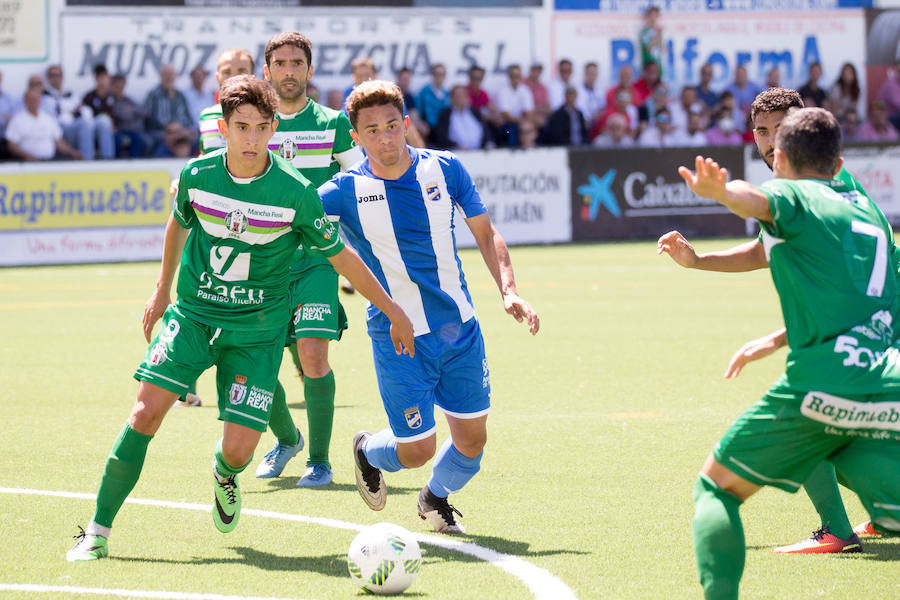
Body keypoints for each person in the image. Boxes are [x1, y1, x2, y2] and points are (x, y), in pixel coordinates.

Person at [65, 74, 414, 562]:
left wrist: (391, 307)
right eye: (241, 126)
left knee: (239, 452)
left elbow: (342, 257)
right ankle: (96, 532)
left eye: (261, 127)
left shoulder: (295, 193)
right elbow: (177, 224)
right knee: (145, 412)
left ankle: (224, 473)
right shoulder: (197, 175)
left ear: (274, 129)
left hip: (256, 331)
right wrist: (160, 292)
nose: (252, 138)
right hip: (193, 316)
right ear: (223, 127)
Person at [672, 107, 900, 599]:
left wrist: (721, 193)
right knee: (848, 452)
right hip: (887, 372)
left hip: (824, 378)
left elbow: (759, 202)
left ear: (781, 157)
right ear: (837, 161)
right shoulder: (864, 208)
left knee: (715, 489)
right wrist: (777, 336)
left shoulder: (790, 190)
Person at [319, 80, 539, 534]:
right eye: (372, 130)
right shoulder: (342, 190)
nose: (385, 138)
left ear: (407, 124)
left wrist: (508, 289)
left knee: (472, 441)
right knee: (416, 450)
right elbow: (295, 218)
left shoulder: (445, 168)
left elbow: (485, 232)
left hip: (460, 329)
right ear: (355, 137)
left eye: (393, 126)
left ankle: (435, 499)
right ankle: (367, 450)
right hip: (399, 337)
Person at [256, 31, 366, 487]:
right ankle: (287, 438)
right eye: (279, 63)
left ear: (309, 70)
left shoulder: (333, 124)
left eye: (296, 62)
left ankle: (318, 461)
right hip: (262, 265)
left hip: (318, 259)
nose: (287, 70)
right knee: (257, 364)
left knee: (313, 356)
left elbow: (362, 183)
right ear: (267, 71)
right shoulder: (254, 124)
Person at [43, 64, 111, 160]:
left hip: (78, 125)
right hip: (62, 132)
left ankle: (108, 159)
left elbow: (86, 112)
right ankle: (87, 161)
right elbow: (55, 118)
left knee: (103, 120)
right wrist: (72, 112)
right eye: (52, 75)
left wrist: (71, 112)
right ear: (48, 78)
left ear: (62, 77)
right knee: (85, 124)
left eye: (58, 75)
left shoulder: (70, 94)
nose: (56, 78)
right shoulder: (45, 96)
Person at [198, 48, 255, 155]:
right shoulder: (207, 116)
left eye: (241, 71)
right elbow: (205, 155)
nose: (233, 77)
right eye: (227, 72)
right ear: (217, 77)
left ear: (253, 76)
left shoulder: (266, 116)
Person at [6, 87, 81, 161]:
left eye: (35, 99)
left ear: (40, 101)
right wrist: (28, 156)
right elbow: (12, 146)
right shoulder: (17, 120)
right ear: (25, 101)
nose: (33, 102)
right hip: (27, 164)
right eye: (30, 100)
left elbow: (58, 142)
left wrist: (73, 153)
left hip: (49, 162)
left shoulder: (48, 118)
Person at [144, 64, 195, 155]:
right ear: (161, 76)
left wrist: (185, 130)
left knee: (196, 138)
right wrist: (173, 130)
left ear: (175, 76)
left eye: (171, 74)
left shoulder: (180, 95)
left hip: (181, 131)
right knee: (166, 140)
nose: (169, 77)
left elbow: (188, 117)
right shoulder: (154, 95)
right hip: (161, 132)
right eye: (166, 74)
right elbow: (152, 118)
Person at [432, 84, 490, 150]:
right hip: (457, 153)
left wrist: (488, 143)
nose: (460, 98)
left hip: (480, 152)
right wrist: (456, 146)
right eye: (457, 96)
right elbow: (442, 137)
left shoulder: (475, 112)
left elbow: (485, 130)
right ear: (452, 98)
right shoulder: (445, 115)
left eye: (463, 95)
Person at [80, 64, 117, 160]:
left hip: (110, 130)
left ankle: (108, 157)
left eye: (104, 77)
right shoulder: (89, 97)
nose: (103, 80)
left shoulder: (111, 97)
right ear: (96, 79)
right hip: (93, 129)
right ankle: (90, 159)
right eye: (100, 77)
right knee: (103, 120)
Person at [493, 63, 534, 147]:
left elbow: (529, 112)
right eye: (513, 76)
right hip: (506, 125)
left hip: (521, 123)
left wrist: (523, 122)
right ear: (509, 76)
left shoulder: (525, 90)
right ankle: (512, 152)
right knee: (512, 130)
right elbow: (507, 116)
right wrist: (521, 121)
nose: (516, 78)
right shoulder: (502, 91)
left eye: (518, 76)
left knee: (532, 129)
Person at [109, 74, 146, 158]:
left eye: (122, 87)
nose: (120, 89)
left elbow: (144, 111)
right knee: (117, 140)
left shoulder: (128, 100)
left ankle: (134, 163)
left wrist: (131, 110)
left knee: (138, 138)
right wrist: (127, 112)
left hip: (132, 131)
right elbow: (120, 115)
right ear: (112, 86)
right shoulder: (109, 100)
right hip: (118, 131)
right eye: (117, 87)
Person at [415, 63, 449, 132]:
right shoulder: (424, 92)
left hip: (443, 129)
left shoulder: (447, 94)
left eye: (442, 74)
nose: (439, 77)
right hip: (428, 129)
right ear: (432, 75)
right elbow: (417, 110)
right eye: (436, 74)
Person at [639, 6, 664, 74]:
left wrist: (659, 36)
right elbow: (647, 49)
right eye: (651, 15)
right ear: (647, 17)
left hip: (658, 65)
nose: (653, 18)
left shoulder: (659, 31)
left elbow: (662, 49)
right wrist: (657, 36)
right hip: (649, 66)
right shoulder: (644, 32)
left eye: (656, 16)